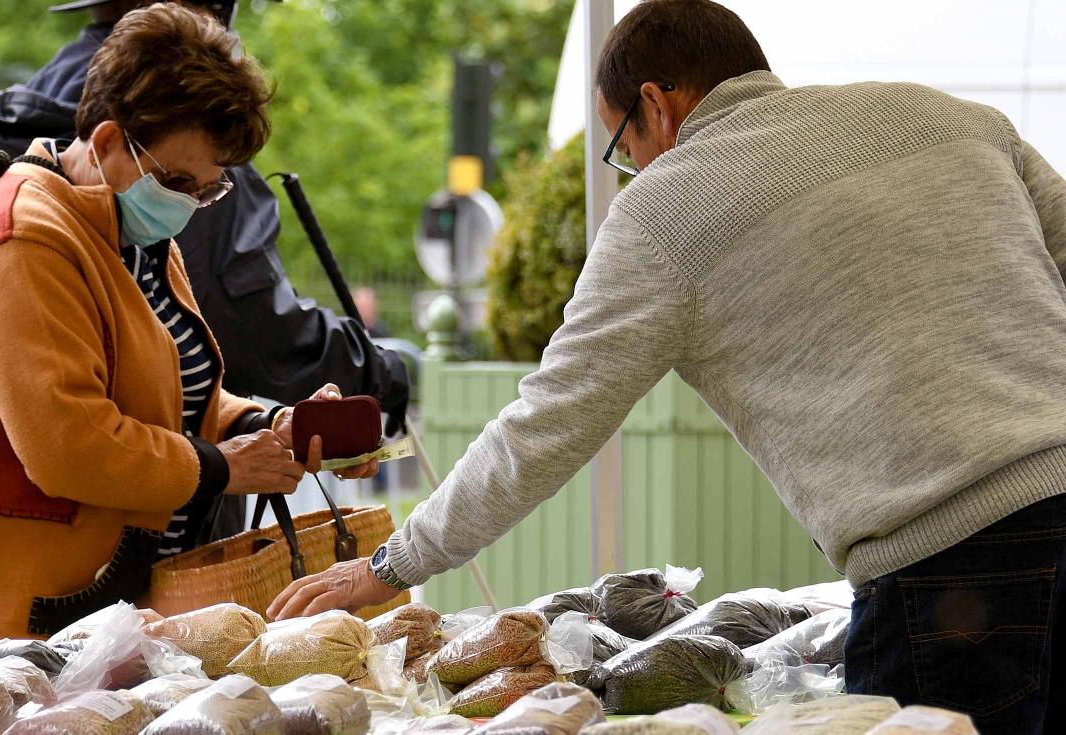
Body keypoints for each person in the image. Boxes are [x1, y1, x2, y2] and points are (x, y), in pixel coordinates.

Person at [269, 1, 1066, 731]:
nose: (632, 173)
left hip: (955, 573)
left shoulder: (667, 207)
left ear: (658, 104)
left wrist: (392, 565)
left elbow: (550, 419)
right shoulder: (951, 117)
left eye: (623, 149)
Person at [0, 3, 375, 645]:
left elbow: (163, 390)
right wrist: (221, 467)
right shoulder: (22, 239)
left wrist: (264, 426)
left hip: (88, 616)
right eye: (177, 180)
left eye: (207, 190)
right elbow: (71, 444)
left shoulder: (123, 227)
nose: (189, 204)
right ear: (107, 140)